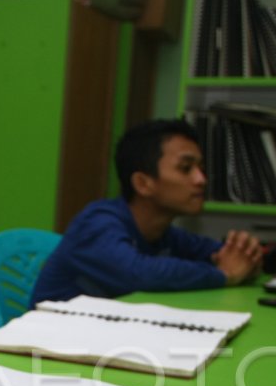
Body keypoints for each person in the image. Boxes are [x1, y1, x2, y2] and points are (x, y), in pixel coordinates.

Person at [31, 119, 263, 305]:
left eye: (201, 169)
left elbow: (219, 254)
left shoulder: (163, 232)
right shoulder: (98, 223)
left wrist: (246, 256)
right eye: (186, 168)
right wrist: (225, 275)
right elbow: (138, 273)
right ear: (143, 183)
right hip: (50, 348)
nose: (201, 179)